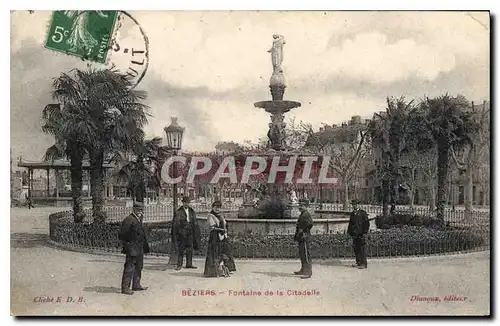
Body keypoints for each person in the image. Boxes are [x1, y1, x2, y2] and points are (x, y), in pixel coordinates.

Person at [119, 202, 150, 295]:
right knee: (129, 268)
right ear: (134, 209)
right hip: (132, 248)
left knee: (139, 267)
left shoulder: (137, 219)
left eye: (141, 210)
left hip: (139, 248)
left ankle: (136, 285)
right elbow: (122, 234)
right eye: (138, 210)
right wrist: (128, 244)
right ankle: (125, 288)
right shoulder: (129, 219)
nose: (140, 211)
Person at [204, 200, 237, 277]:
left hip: (222, 236)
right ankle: (213, 271)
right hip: (215, 237)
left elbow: (225, 224)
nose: (217, 209)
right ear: (212, 207)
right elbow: (212, 227)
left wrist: (225, 230)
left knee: (225, 252)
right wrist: (222, 230)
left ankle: (226, 269)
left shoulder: (221, 215)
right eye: (216, 207)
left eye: (219, 207)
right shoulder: (210, 216)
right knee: (215, 253)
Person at [172, 196, 201, 271]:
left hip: (190, 231)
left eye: (188, 202)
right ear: (183, 203)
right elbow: (176, 224)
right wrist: (179, 232)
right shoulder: (179, 212)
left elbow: (194, 221)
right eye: (185, 202)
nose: (187, 204)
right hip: (182, 232)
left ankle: (189, 264)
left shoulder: (191, 211)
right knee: (181, 249)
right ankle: (179, 264)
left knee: (190, 248)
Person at [347, 199, 370, 269]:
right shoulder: (352, 214)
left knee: (362, 249)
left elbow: (366, 223)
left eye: (356, 204)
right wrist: (349, 232)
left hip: (361, 234)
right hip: (354, 234)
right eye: (353, 204)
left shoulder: (363, 213)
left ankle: (364, 264)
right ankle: (358, 262)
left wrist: (365, 233)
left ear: (358, 205)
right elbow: (350, 224)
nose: (354, 205)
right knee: (356, 249)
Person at [294, 199, 313, 279]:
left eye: (302, 205)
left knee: (305, 254)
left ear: (306, 206)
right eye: (300, 205)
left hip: (304, 236)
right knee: (302, 254)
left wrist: (303, 230)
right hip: (301, 237)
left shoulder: (306, 214)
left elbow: (310, 224)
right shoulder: (303, 214)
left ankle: (308, 272)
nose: (300, 207)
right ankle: (303, 269)